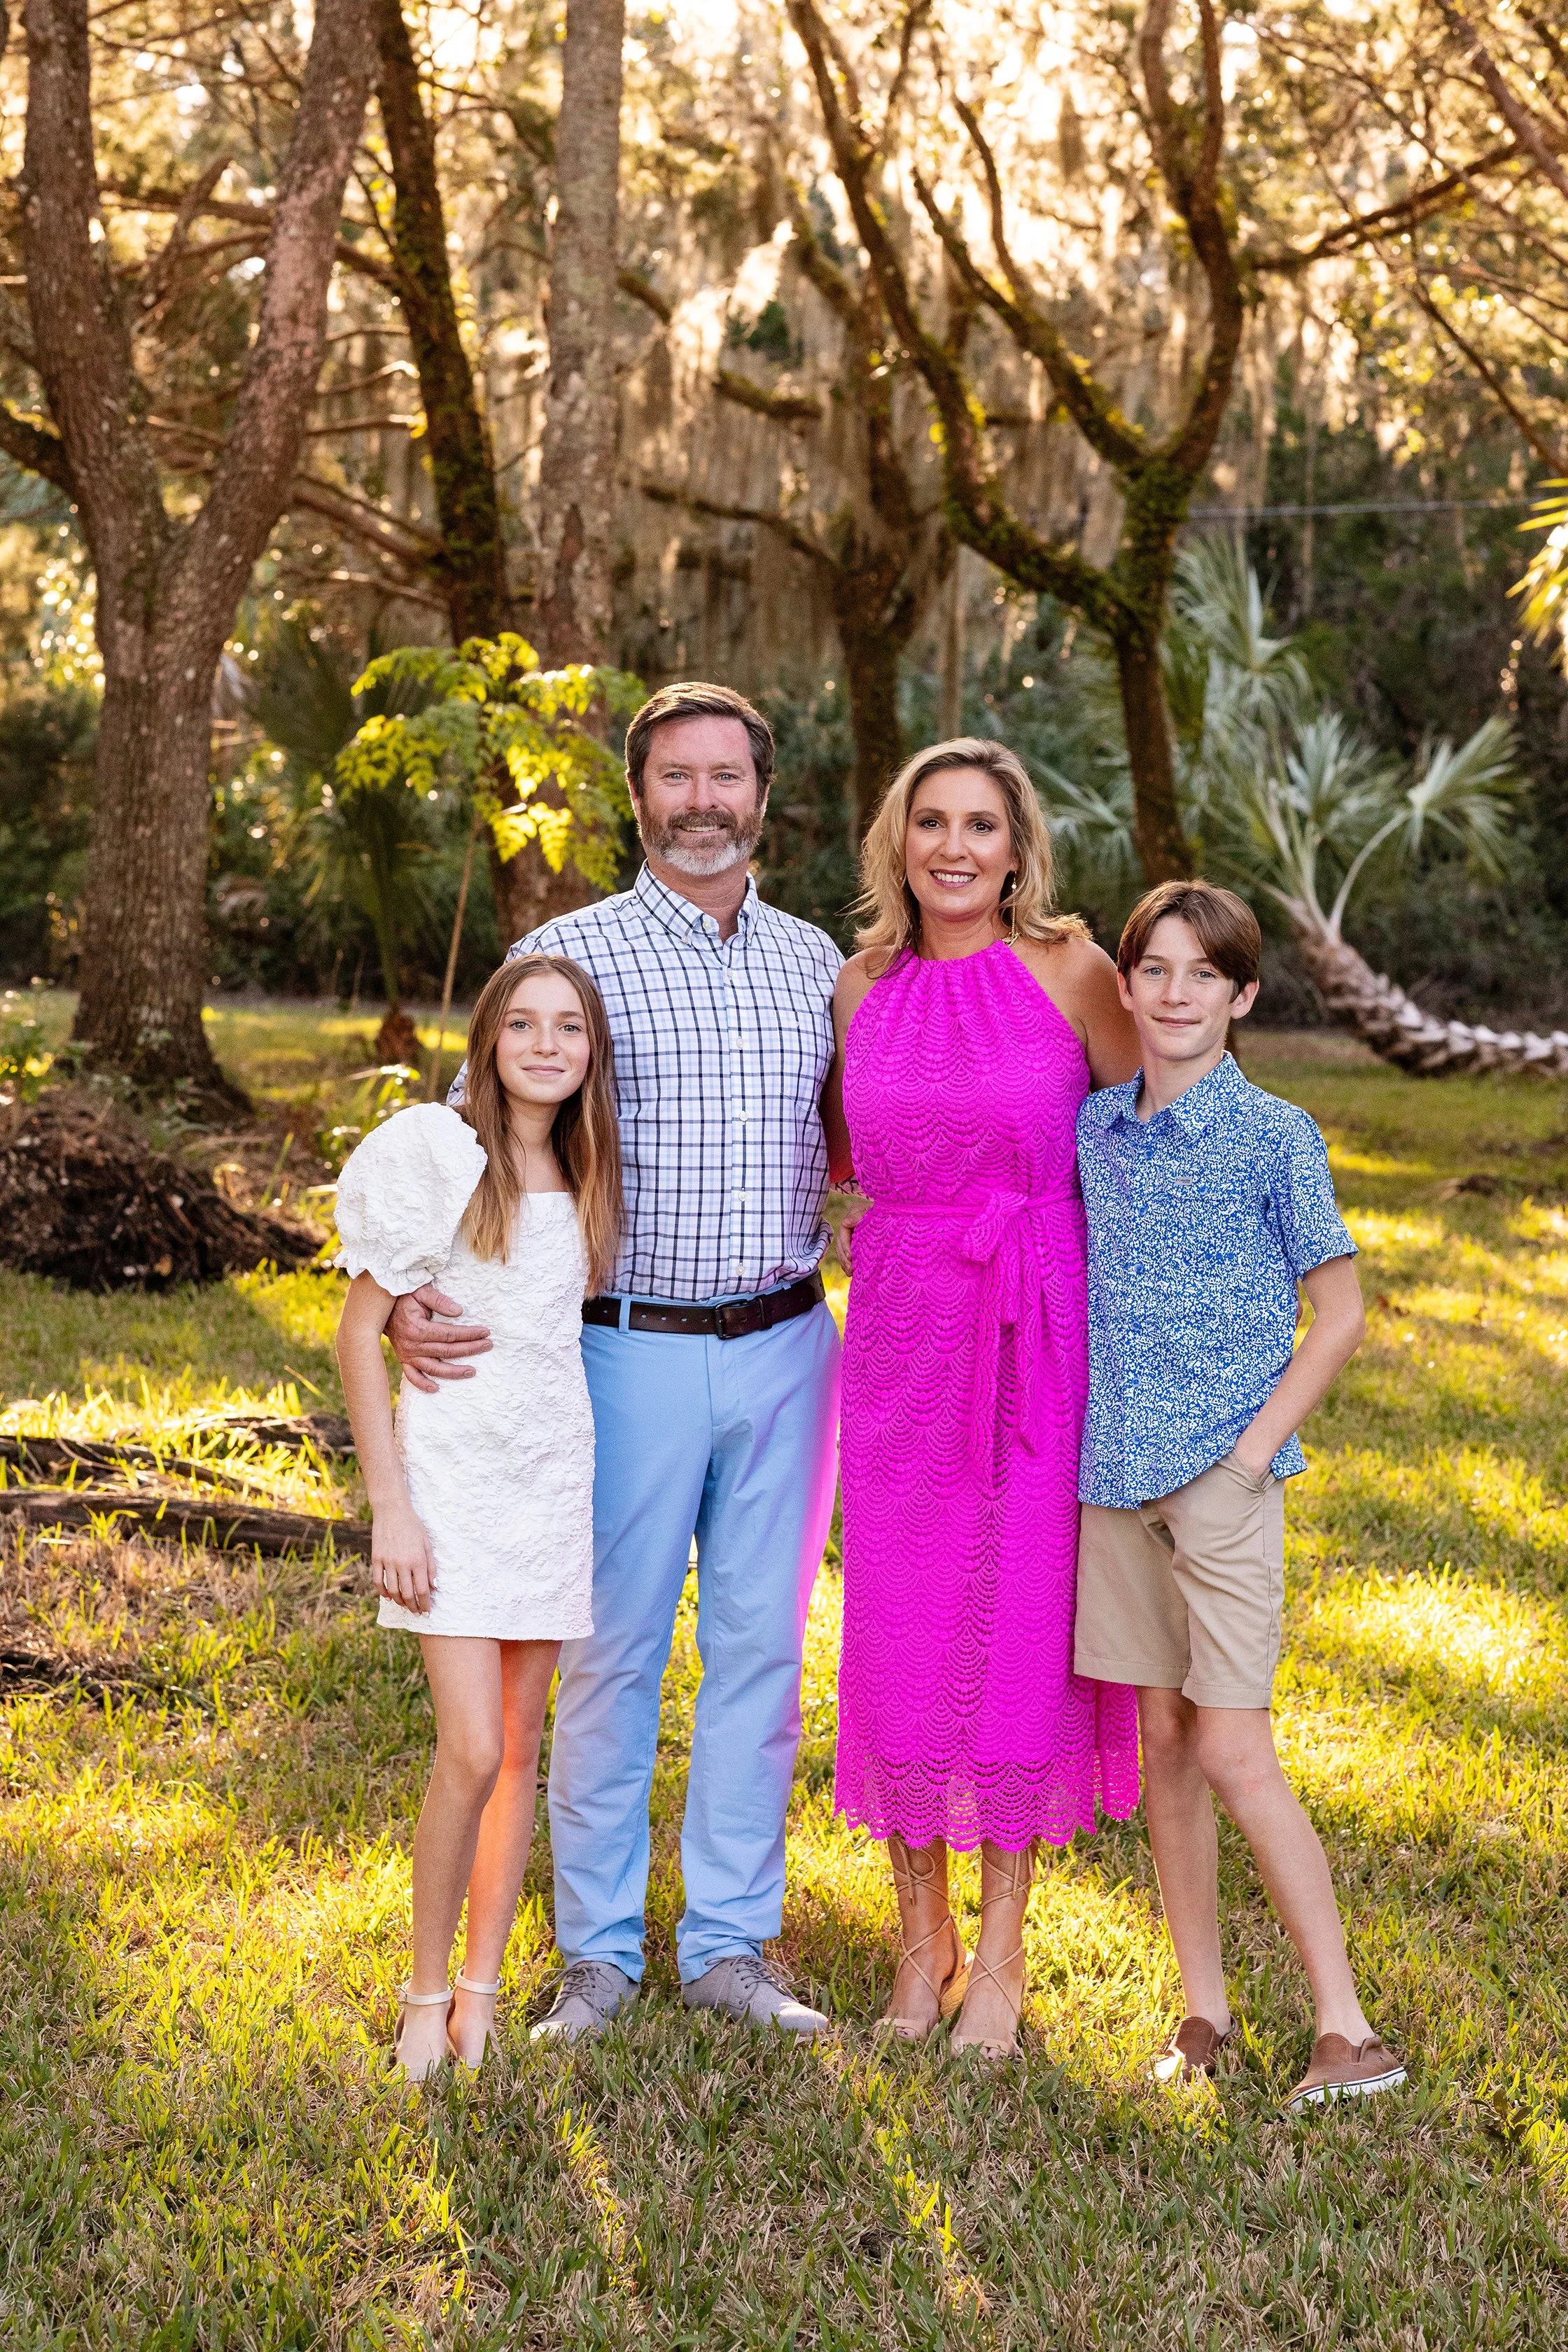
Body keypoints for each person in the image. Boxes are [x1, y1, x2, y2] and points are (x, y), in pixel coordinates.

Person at [386, 682, 844, 2042]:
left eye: (726, 776)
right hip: (619, 1350)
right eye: (676, 777)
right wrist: (410, 1293)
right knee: (612, 1655)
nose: (702, 800)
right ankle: (594, 1949)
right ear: (637, 795)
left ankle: (727, 1943)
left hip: (783, 1345)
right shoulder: (569, 960)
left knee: (761, 1651)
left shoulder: (821, 965)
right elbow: (465, 1140)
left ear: (762, 793)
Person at [823, 737, 1142, 2060]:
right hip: (901, 1326)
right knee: (899, 1624)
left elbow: (1145, 1145)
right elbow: (841, 1161)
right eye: (931, 823)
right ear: (899, 843)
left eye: (981, 826)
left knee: (1016, 1625)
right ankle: (919, 1947)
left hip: (1040, 1325)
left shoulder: (1076, 971)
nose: (955, 847)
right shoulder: (858, 986)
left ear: (1019, 849)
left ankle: (1002, 1956)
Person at [1073, 878, 1408, 2112]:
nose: (1174, 994)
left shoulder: (1276, 1134)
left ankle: (1347, 2027)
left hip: (1222, 1474)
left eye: (1201, 976)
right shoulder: (1095, 1131)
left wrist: (1253, 1454)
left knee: (1232, 1742)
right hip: (1110, 1480)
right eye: (1152, 970)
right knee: (1163, 1742)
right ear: (1126, 987)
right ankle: (1202, 2009)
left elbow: (1342, 1312)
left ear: (1243, 996)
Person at [334, 953, 622, 2079]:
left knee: (520, 1757)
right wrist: (390, 1511)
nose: (547, 1046)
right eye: (524, 1027)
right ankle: (420, 1991)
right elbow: (360, 1335)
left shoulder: (585, 1171)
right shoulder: (440, 1156)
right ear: (489, 1042)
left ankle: (483, 1995)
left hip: (552, 1483)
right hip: (451, 1487)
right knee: (473, 1746)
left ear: (590, 1054)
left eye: (569, 1029)